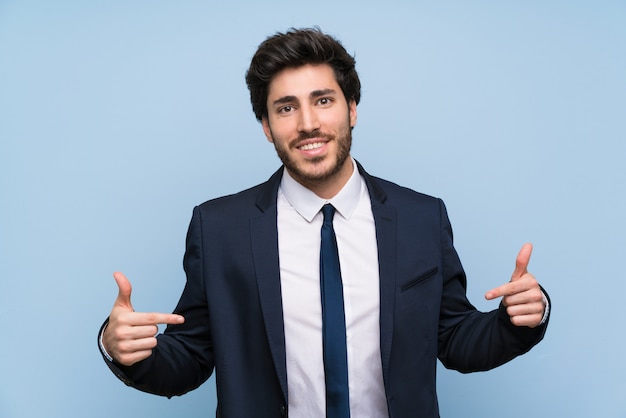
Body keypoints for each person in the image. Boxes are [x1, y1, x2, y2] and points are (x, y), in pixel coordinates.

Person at [98, 28, 550, 417]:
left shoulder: (420, 218)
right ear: (266, 125)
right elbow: (190, 357)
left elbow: (454, 338)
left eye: (323, 100)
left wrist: (518, 320)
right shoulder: (219, 229)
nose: (308, 123)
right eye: (286, 108)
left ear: (352, 109)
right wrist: (123, 350)